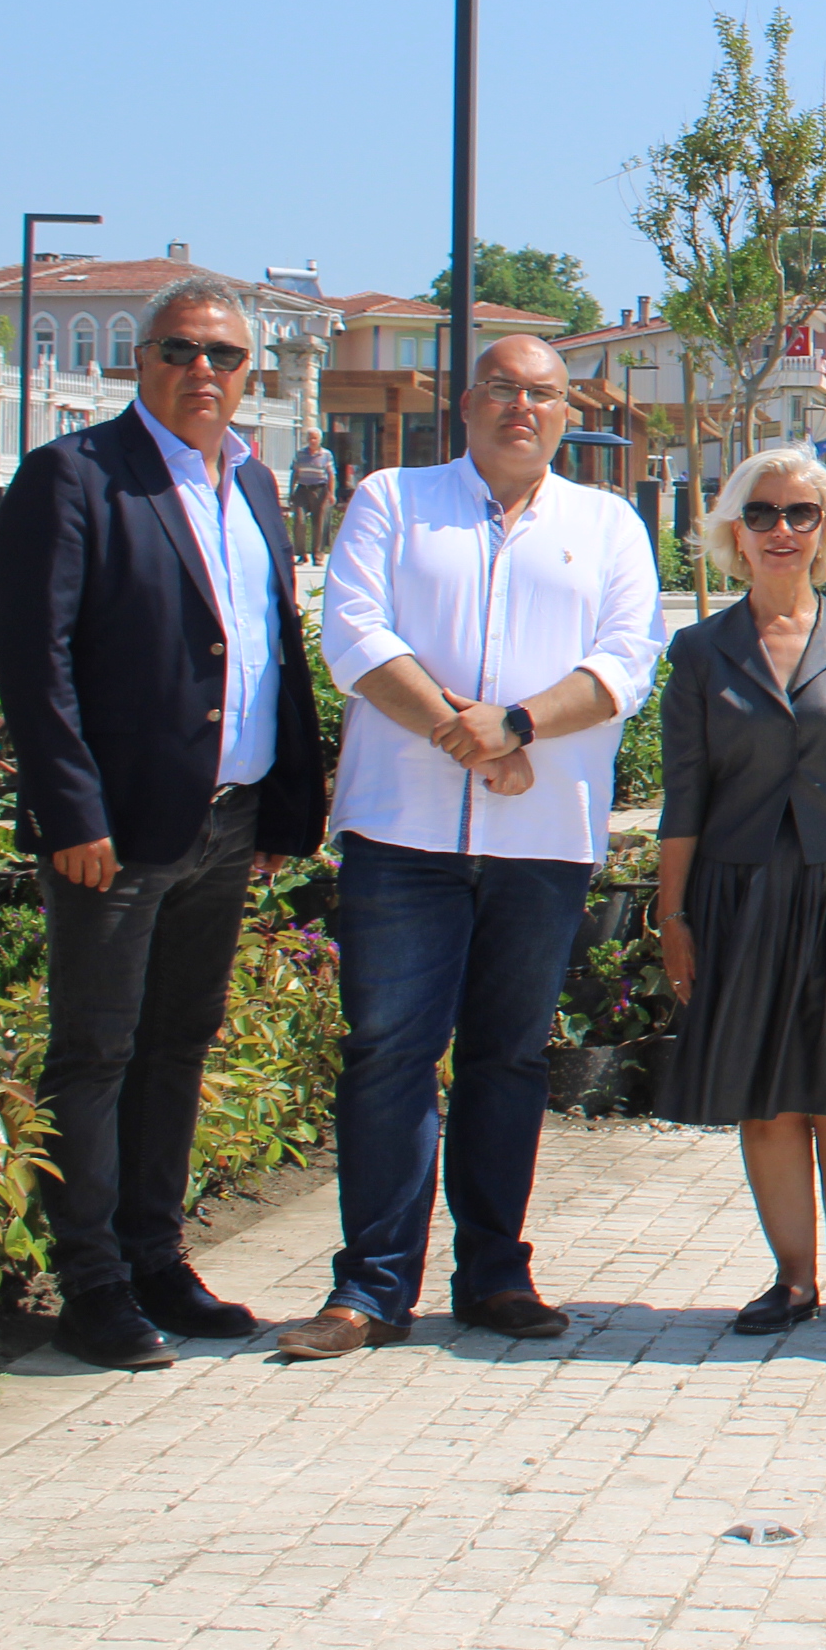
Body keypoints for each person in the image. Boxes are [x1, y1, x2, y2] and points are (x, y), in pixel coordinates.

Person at [290, 336, 662, 1361]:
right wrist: (471, 729)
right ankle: (369, 1287)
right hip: (402, 832)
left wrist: (519, 728)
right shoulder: (392, 500)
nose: (522, 408)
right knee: (389, 1056)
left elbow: (627, 662)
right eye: (503, 388)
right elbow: (355, 636)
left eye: (543, 393)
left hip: (542, 838)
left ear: (565, 409)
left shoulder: (608, 523)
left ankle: (495, 1272)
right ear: (466, 402)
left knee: (506, 1058)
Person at [0, 276, 328, 1370]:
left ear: (248, 373)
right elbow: (33, 659)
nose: (204, 373)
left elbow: (265, 644)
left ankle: (155, 1257)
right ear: (142, 360)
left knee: (176, 1045)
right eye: (181, 350)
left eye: (225, 356)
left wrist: (279, 802)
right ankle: (88, 1280)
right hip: (117, 829)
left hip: (226, 823)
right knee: (92, 1050)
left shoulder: (256, 484)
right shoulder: (76, 475)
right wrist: (68, 808)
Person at [653, 450, 826, 1337]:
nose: (782, 529)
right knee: (767, 1095)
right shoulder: (700, 651)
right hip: (741, 893)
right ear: (734, 530)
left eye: (801, 514)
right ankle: (793, 1275)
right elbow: (683, 792)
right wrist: (672, 915)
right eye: (764, 512)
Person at [284, 433, 337, 559]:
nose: (312, 441)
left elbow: (331, 475)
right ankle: (301, 554)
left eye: (315, 438)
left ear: (320, 440)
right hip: (302, 489)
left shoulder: (326, 454)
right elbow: (295, 473)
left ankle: (318, 554)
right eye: (310, 438)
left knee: (319, 522)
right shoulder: (300, 454)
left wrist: (331, 493)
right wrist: (291, 491)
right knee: (299, 520)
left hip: (320, 489)